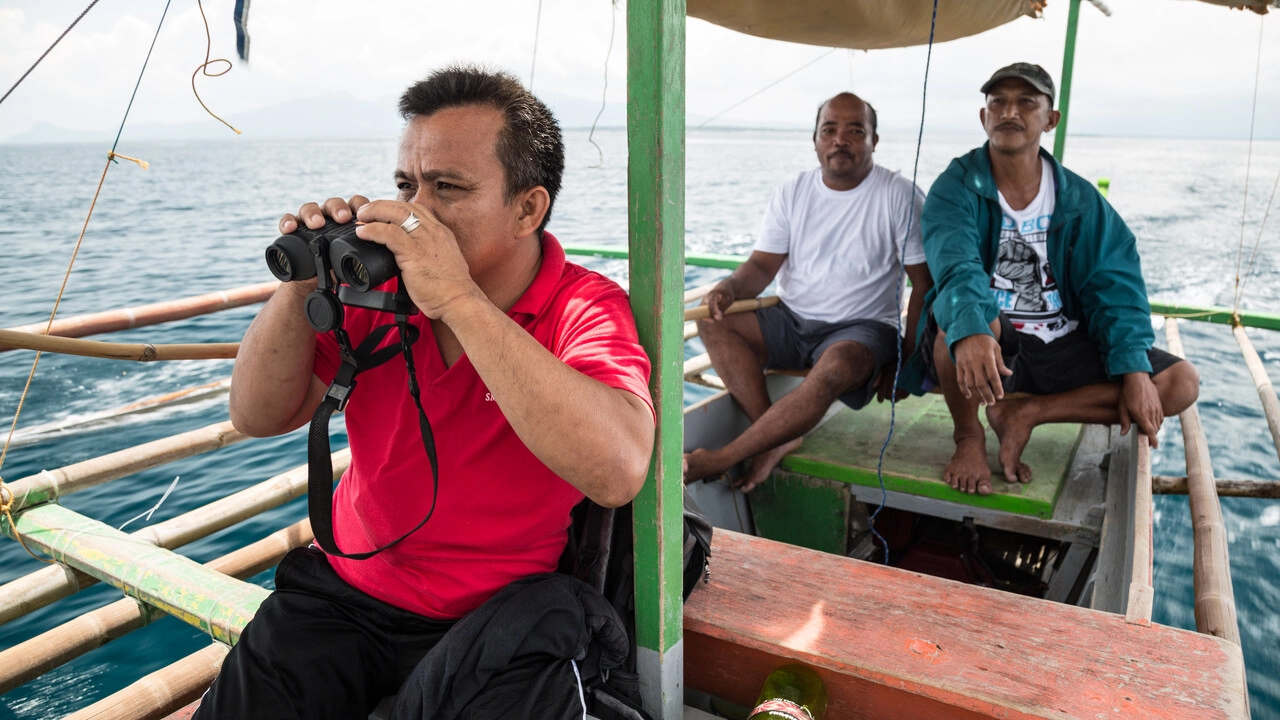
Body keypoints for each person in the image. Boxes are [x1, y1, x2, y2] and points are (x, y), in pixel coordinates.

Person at [195, 66, 655, 719]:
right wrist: (301, 281)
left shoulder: (583, 306)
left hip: (494, 620)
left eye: (449, 188)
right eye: (408, 186)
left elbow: (618, 470)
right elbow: (256, 415)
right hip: (343, 595)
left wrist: (459, 300)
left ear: (528, 208)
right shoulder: (373, 296)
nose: (418, 213)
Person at [904, 62, 1199, 496]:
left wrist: (1133, 367)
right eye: (998, 102)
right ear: (984, 117)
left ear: (1050, 119)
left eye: (1026, 102)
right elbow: (955, 266)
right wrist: (971, 325)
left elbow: (1113, 287)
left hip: (1062, 342)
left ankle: (1028, 413)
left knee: (1179, 384)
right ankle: (968, 436)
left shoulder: (1079, 200)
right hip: (998, 344)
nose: (1010, 112)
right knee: (961, 325)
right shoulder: (957, 186)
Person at [683, 92, 933, 492]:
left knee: (833, 368)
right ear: (815, 139)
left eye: (855, 130)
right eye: (829, 130)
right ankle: (779, 436)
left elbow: (923, 284)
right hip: (792, 318)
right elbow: (763, 265)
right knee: (714, 321)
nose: (840, 140)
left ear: (874, 140)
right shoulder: (792, 191)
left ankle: (725, 456)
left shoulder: (898, 194)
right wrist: (728, 288)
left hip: (862, 329)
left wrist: (907, 359)